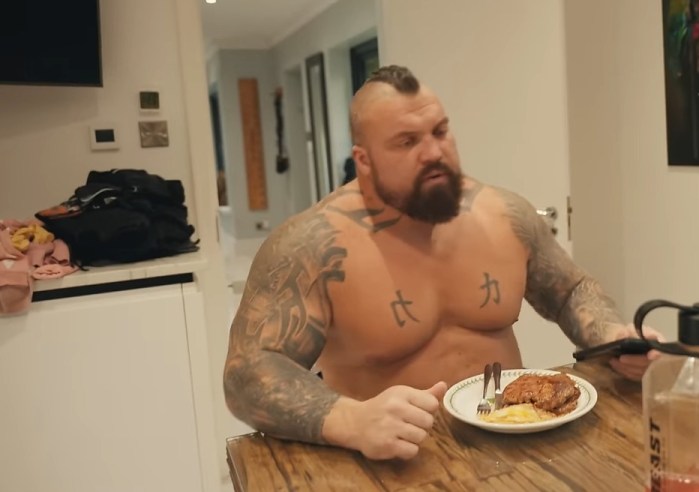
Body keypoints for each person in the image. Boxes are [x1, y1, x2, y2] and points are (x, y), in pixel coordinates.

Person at [223, 65, 662, 461]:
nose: (433, 152)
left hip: (513, 445)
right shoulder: (312, 244)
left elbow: (569, 292)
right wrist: (348, 420)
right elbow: (248, 373)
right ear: (364, 160)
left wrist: (613, 337)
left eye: (440, 131)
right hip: (392, 462)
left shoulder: (506, 215)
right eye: (407, 141)